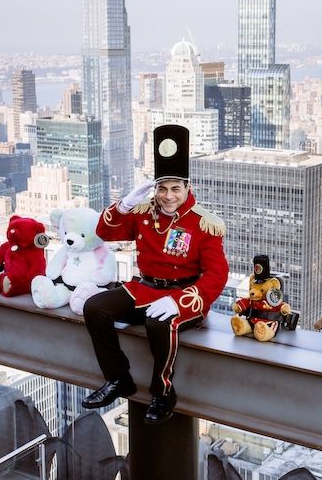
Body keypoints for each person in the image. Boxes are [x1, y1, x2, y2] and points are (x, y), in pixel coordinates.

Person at [81, 124, 229, 424]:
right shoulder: (143, 213)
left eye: (175, 189)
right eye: (162, 188)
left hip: (183, 296)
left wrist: (180, 302)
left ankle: (163, 392)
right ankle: (118, 379)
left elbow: (217, 274)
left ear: (187, 188)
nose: (168, 196)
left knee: (157, 323)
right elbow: (104, 232)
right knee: (94, 308)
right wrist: (124, 205)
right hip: (145, 289)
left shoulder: (204, 224)